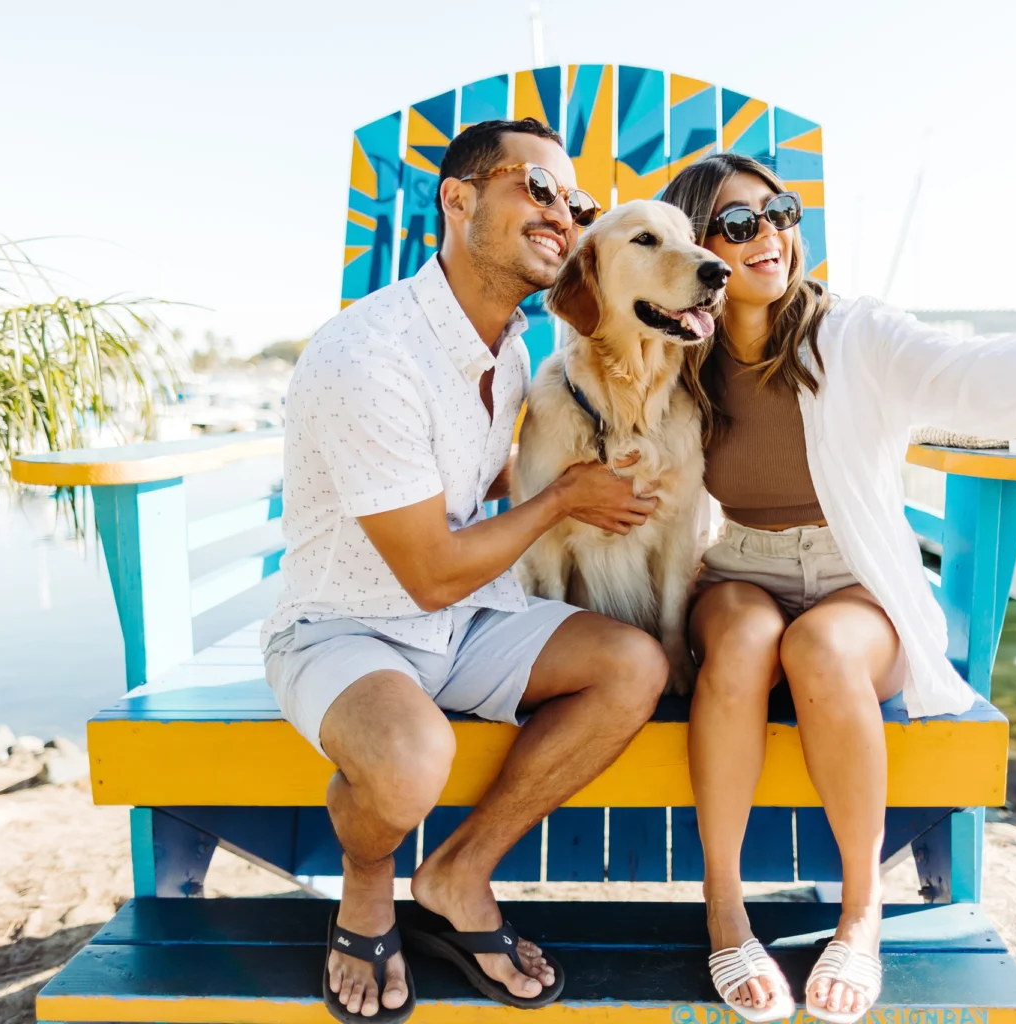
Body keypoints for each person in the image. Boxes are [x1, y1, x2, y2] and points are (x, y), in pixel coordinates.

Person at [661, 153, 1016, 1024]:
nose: (768, 235)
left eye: (780, 211)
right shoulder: (681, 357)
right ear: (697, 246)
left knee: (820, 647)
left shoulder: (852, 334)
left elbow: (963, 374)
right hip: (743, 565)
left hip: (858, 577)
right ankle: (727, 912)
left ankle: (861, 914)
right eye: (738, 224)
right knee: (741, 640)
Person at [262, 118, 669, 1023]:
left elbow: (486, 486)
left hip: (471, 618)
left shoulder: (513, 349)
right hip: (346, 622)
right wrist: (564, 498)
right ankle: (367, 884)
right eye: (537, 188)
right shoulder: (369, 355)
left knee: (635, 665)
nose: (562, 213)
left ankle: (458, 873)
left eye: (577, 203)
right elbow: (432, 573)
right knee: (413, 758)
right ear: (458, 198)